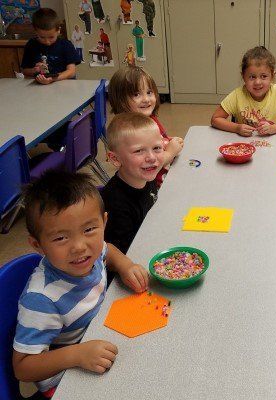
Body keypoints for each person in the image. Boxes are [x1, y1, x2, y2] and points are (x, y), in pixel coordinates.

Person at [12, 171, 149, 399]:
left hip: (99, 336)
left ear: (104, 222)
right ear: (37, 245)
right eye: (60, 238)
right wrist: (77, 354)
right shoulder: (42, 299)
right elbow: (23, 367)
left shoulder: (91, 254)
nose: (79, 246)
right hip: (66, 377)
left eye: (89, 230)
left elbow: (108, 250)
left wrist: (125, 265)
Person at [108, 66, 184, 188]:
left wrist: (167, 141)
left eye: (149, 92)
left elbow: (154, 141)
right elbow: (149, 161)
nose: (146, 99)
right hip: (153, 186)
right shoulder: (130, 131)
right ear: (121, 100)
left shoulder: (150, 119)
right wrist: (170, 152)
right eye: (137, 94)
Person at [101, 113, 165, 254]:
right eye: (138, 151)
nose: (151, 158)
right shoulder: (115, 203)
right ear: (115, 159)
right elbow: (120, 254)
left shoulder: (146, 175)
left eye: (156, 148)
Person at [211, 46, 276, 137]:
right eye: (252, 77)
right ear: (243, 77)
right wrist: (237, 128)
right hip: (243, 146)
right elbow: (215, 119)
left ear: (272, 76)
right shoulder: (237, 95)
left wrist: (274, 128)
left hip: (272, 144)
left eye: (264, 76)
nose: (257, 82)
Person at [21, 8, 80, 85]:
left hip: (64, 86)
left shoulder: (66, 45)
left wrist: (53, 79)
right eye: (42, 37)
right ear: (35, 31)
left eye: (51, 37)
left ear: (58, 30)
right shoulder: (31, 45)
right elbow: (24, 70)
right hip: (39, 88)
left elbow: (71, 72)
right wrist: (35, 70)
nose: (47, 42)